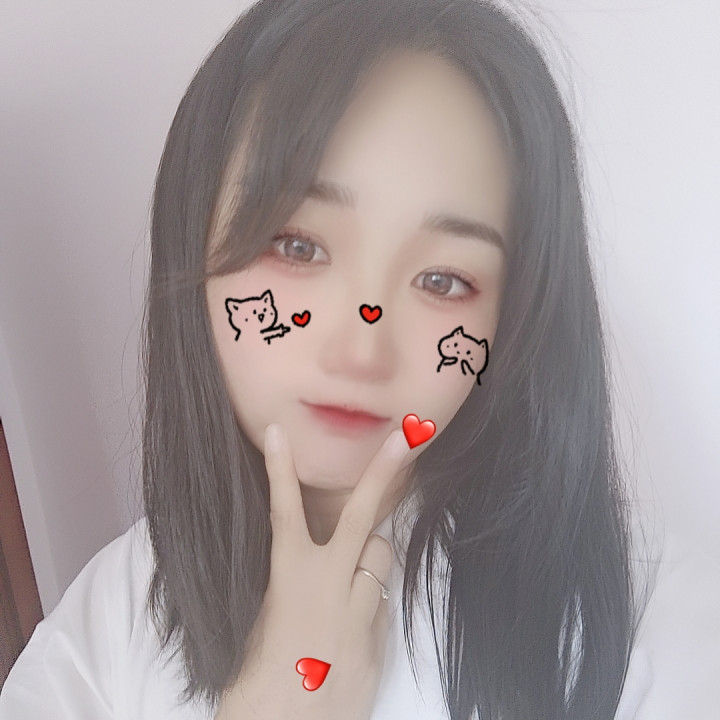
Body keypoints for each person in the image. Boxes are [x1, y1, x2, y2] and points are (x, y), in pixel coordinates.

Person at [0, 1, 658, 718]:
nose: (360, 353)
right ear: (195, 235)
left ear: (518, 313)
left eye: (443, 281)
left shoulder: (642, 620)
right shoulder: (105, 627)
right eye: (298, 246)